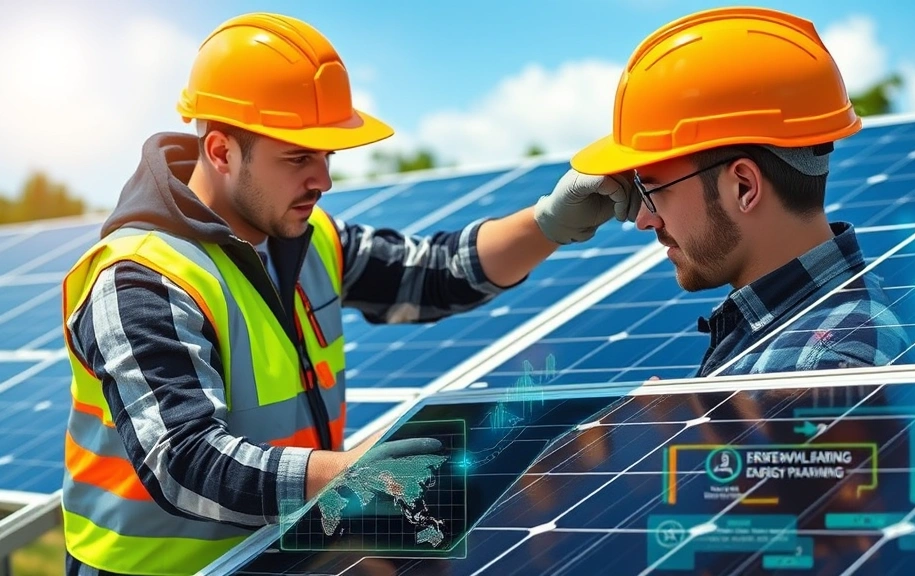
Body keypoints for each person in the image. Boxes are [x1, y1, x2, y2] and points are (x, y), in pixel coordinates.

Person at [60, 12, 635, 576]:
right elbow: (183, 460)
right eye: (298, 157)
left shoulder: (310, 241)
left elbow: (435, 274)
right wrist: (345, 473)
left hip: (283, 554)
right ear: (220, 151)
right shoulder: (139, 278)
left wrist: (551, 222)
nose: (324, 180)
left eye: (327, 155)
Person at [571, 7, 909, 377]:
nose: (643, 219)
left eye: (653, 191)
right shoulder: (790, 335)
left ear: (743, 187)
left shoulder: (827, 364)